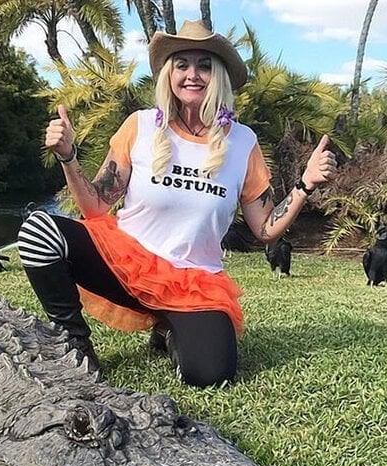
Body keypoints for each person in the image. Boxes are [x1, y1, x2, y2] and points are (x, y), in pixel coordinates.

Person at [18, 19, 337, 387]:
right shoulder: (140, 126)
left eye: (204, 65)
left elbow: (265, 229)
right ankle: (73, 341)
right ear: (169, 73)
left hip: (192, 282)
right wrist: (69, 156)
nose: (192, 74)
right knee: (38, 230)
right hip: (125, 263)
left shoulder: (243, 142)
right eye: (182, 64)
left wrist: (305, 184)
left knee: (210, 374)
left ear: (217, 75)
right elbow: (95, 207)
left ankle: (169, 329)